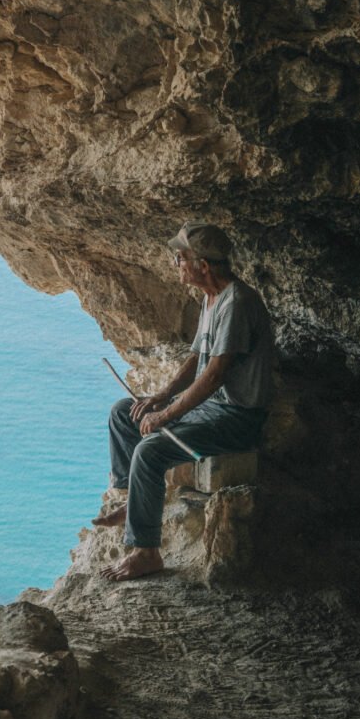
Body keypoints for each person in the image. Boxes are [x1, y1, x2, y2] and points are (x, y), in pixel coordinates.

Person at [96, 221, 274, 582]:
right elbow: (197, 360)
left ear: (202, 266)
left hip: (237, 416)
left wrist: (165, 416)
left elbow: (214, 376)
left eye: (180, 258)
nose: (175, 264)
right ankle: (133, 502)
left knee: (150, 450)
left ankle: (146, 552)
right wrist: (158, 398)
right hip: (214, 408)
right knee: (123, 413)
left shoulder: (237, 302)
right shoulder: (212, 299)